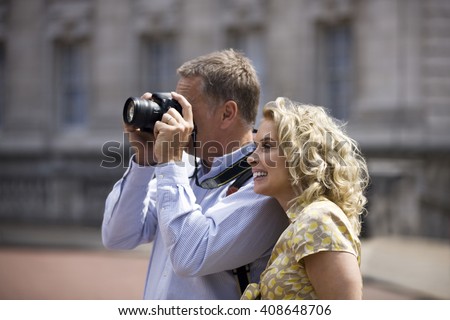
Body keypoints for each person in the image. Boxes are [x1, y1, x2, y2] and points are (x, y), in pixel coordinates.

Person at [102, 49, 289, 299]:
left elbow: (190, 257)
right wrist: (145, 162)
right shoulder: (185, 170)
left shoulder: (262, 185)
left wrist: (170, 162)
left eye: (185, 108)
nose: (177, 119)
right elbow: (117, 236)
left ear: (227, 113)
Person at [241, 97, 369, 300]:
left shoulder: (319, 218)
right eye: (255, 147)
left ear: (301, 155)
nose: (251, 158)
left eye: (266, 146)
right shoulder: (303, 219)